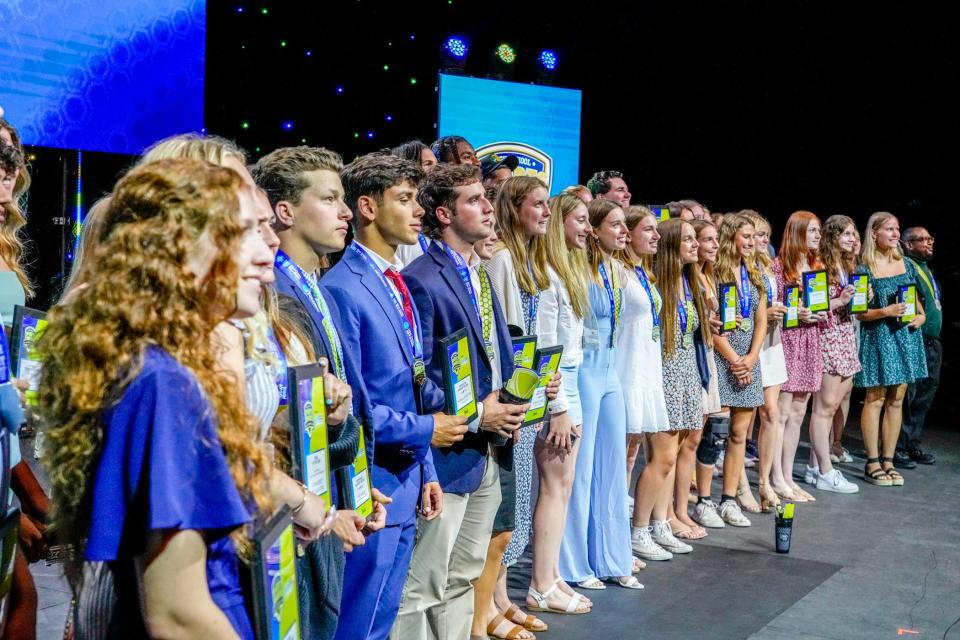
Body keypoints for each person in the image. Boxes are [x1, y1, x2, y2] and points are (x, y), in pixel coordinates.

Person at [39, 159, 280, 638]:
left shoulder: (154, 366)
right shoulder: (163, 383)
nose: (266, 256)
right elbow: (176, 613)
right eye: (243, 232)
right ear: (178, 247)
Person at [323, 153, 468, 639]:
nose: (417, 210)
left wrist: (426, 464)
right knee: (358, 619)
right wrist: (430, 430)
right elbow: (354, 407)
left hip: (407, 477)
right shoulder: (344, 288)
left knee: (383, 616)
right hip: (371, 483)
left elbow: (412, 382)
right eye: (403, 200)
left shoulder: (395, 282)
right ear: (367, 207)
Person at [392, 163, 526, 639]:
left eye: (487, 198)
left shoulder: (476, 271)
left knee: (464, 576)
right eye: (475, 200)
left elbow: (491, 353)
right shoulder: (420, 277)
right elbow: (416, 374)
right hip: (447, 453)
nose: (489, 207)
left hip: (486, 451)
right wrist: (473, 415)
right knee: (422, 583)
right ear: (444, 213)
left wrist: (521, 390)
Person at [484, 176, 559, 639]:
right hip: (511, 395)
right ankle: (490, 602)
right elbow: (504, 336)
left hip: (529, 390)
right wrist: (516, 392)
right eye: (537, 205)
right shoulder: (503, 258)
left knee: (520, 497)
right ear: (514, 209)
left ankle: (501, 598)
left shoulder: (531, 258)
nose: (545, 213)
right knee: (504, 502)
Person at [560, 199, 641, 589]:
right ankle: (574, 565)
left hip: (611, 373)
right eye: (616, 225)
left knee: (612, 466)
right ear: (593, 228)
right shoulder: (575, 268)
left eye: (626, 225)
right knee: (582, 470)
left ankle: (613, 556)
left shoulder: (617, 269)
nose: (624, 232)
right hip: (585, 373)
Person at [525, 193, 594, 614]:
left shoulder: (567, 270)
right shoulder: (548, 275)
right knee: (553, 486)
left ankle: (550, 576)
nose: (587, 229)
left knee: (563, 486)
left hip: (569, 382)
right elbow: (546, 347)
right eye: (582, 221)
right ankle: (540, 584)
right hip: (557, 387)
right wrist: (558, 407)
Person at [619, 206, 687, 562]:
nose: (655, 236)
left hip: (647, 371)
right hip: (627, 372)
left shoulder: (643, 272)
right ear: (627, 233)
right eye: (647, 230)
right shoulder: (619, 273)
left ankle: (642, 529)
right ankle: (627, 535)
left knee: (632, 455)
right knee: (624, 459)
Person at [854, 212, 927, 487]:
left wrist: (919, 317)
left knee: (898, 398)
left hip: (905, 338)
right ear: (874, 234)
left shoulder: (905, 264)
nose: (896, 234)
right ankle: (872, 461)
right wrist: (884, 311)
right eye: (889, 229)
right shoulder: (864, 267)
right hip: (879, 337)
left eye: (897, 229)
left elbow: (917, 307)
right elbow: (859, 313)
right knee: (876, 397)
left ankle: (888, 459)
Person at [711, 214, 768, 527]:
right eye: (746, 236)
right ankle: (705, 498)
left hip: (749, 360)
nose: (750, 242)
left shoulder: (754, 272)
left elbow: (760, 320)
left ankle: (729, 499)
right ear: (731, 236)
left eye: (754, 237)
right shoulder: (714, 272)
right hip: (724, 357)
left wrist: (752, 357)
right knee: (714, 435)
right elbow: (713, 326)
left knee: (738, 435)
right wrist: (734, 359)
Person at [805, 215, 861, 493]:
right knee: (823, 408)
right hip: (828, 337)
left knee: (833, 407)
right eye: (847, 234)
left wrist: (860, 297)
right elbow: (814, 305)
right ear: (833, 236)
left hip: (844, 335)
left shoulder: (846, 265)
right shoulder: (821, 265)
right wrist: (841, 299)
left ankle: (815, 466)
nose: (853, 239)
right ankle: (826, 471)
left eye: (854, 234)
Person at [771, 211, 824, 503]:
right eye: (812, 230)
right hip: (788, 341)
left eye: (818, 231)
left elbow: (824, 308)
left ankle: (788, 476)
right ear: (797, 232)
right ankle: (776, 476)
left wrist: (818, 311)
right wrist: (796, 312)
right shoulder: (780, 267)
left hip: (810, 340)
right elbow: (774, 305)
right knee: (781, 412)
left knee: (798, 412)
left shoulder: (816, 267)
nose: (817, 236)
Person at [739, 211, 789, 510]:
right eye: (758, 235)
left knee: (771, 414)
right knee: (744, 420)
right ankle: (742, 484)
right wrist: (763, 315)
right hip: (750, 344)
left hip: (772, 344)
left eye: (766, 236)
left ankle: (765, 481)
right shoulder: (738, 268)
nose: (763, 241)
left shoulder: (768, 266)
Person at [895, 226, 940, 466]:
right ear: (908, 245)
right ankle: (898, 446)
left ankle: (912, 444)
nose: (929, 242)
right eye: (922, 239)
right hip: (915, 337)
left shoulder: (925, 268)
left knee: (924, 395)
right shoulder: (908, 266)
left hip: (932, 341)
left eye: (930, 238)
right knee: (908, 395)